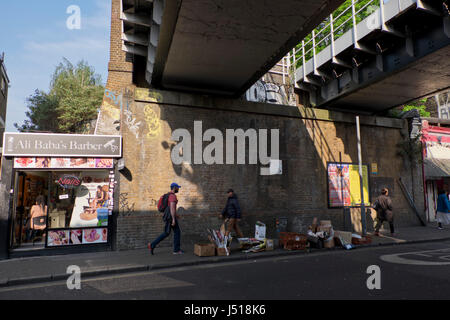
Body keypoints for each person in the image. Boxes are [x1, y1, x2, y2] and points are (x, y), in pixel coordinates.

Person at [148, 183, 183, 255]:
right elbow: (172, 208)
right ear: (174, 188)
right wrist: (173, 219)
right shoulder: (172, 196)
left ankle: (153, 245)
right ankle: (176, 250)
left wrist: (176, 215)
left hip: (168, 216)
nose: (178, 189)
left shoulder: (168, 195)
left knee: (170, 232)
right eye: (177, 187)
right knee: (171, 233)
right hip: (170, 217)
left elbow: (169, 207)